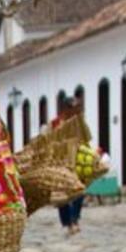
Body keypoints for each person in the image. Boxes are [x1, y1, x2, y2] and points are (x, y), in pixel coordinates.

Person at [52, 95, 88, 235]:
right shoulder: (56, 123)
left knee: (79, 191)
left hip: (76, 161)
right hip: (60, 161)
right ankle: (68, 222)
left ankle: (75, 219)